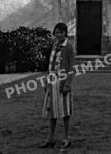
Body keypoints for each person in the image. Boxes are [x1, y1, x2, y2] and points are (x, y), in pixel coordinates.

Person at [39, 22, 75, 150]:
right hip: (52, 81)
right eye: (57, 32)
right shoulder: (53, 46)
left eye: (61, 32)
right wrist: (47, 81)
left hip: (63, 82)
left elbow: (71, 67)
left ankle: (66, 137)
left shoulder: (69, 48)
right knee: (52, 110)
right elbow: (50, 65)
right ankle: (50, 137)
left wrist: (68, 84)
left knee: (65, 111)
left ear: (65, 33)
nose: (59, 35)